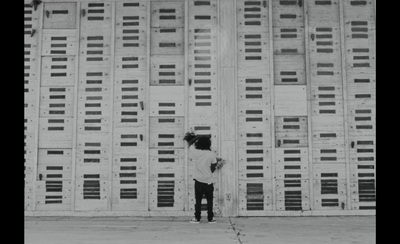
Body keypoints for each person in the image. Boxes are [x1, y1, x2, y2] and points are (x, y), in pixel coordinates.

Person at [184, 132, 222, 224]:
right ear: (209, 144)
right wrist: (216, 165)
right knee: (210, 201)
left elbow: (190, 143)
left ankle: (197, 218)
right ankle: (210, 218)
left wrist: (198, 136)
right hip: (209, 181)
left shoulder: (195, 152)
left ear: (199, 143)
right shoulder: (212, 154)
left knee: (198, 200)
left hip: (198, 181)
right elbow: (212, 168)